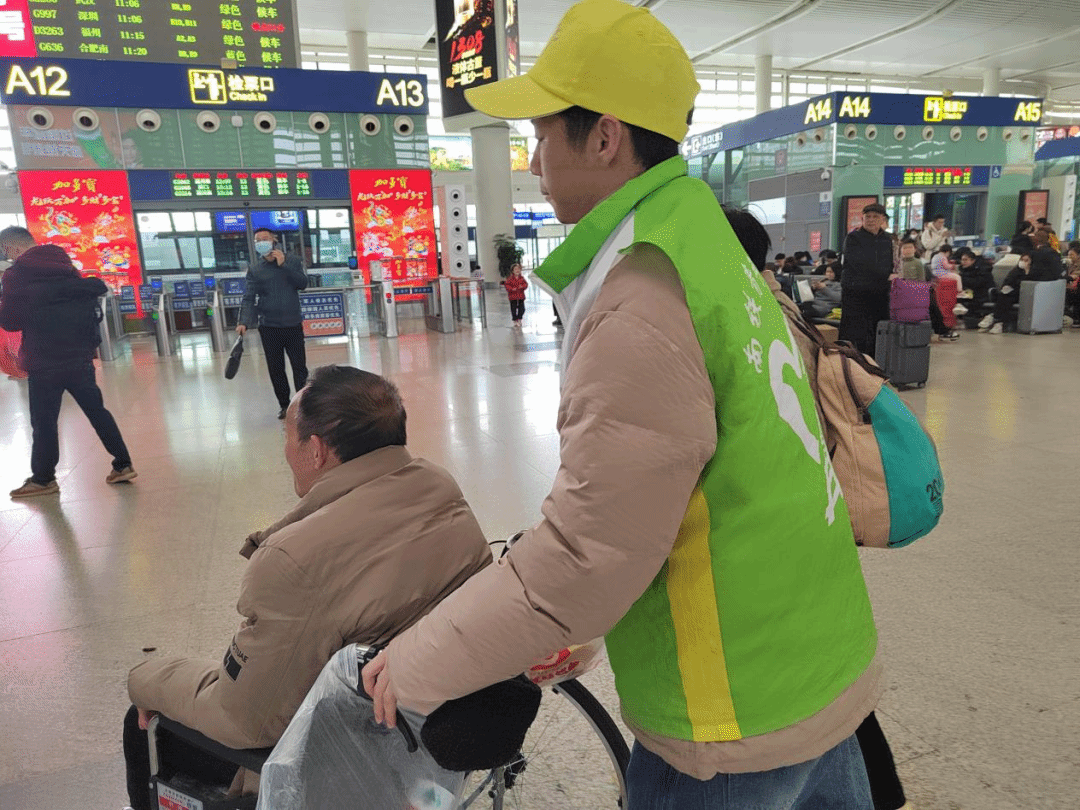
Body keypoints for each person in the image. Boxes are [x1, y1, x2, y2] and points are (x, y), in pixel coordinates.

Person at [362, 3, 881, 810]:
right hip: (818, 660)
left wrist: (415, 660)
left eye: (541, 135)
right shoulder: (702, 235)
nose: (533, 160)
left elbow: (587, 552)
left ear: (604, 137)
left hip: (728, 713)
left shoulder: (641, 289)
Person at [122, 365, 491, 810]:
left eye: (288, 436)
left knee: (142, 720)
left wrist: (146, 679)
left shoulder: (293, 559)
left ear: (316, 451)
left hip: (344, 764)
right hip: (432, 741)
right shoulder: (439, 485)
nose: (284, 449)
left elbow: (245, 720)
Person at [0, 226, 136, 498]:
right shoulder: (66, 267)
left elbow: (11, 321)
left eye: (5, 251)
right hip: (79, 355)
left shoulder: (16, 275)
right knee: (97, 411)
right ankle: (123, 464)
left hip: (44, 359)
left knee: (44, 421)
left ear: (12, 248)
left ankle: (43, 479)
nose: (7, 256)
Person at [237, 228, 309, 419]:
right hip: (269, 327)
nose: (262, 242)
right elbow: (249, 297)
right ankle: (284, 405)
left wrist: (284, 265)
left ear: (274, 240)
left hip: (293, 324)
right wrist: (243, 321)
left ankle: (303, 405)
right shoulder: (255, 270)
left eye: (265, 239)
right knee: (276, 369)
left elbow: (303, 283)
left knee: (299, 367)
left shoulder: (292, 261)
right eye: (258, 240)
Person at [979, 233, 1063, 333]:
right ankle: (998, 320)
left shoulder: (1035, 272)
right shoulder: (1017, 270)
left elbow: (1028, 284)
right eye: (1022, 260)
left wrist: (1027, 272)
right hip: (1014, 292)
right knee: (1005, 296)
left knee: (1005, 297)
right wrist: (1007, 286)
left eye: (1026, 260)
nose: (1023, 262)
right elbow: (1009, 280)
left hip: (1026, 294)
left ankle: (995, 318)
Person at [840, 202, 894, 355]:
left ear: (882, 219)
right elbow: (858, 263)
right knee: (855, 333)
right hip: (856, 292)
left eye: (875, 217)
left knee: (878, 331)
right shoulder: (853, 238)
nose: (871, 220)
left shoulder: (887, 239)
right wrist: (884, 275)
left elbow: (889, 263)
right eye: (867, 217)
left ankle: (875, 362)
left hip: (879, 292)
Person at [898, 239, 958, 342]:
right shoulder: (898, 263)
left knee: (931, 302)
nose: (908, 250)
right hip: (902, 292)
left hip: (916, 290)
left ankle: (941, 330)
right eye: (905, 248)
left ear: (915, 249)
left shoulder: (918, 263)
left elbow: (921, 280)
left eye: (910, 247)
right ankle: (941, 330)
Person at [1066, 242, 1080, 327]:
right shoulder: (1070, 265)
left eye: (1072, 255)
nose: (1069, 257)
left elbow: (1075, 276)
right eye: (1068, 255)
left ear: (1078, 255)